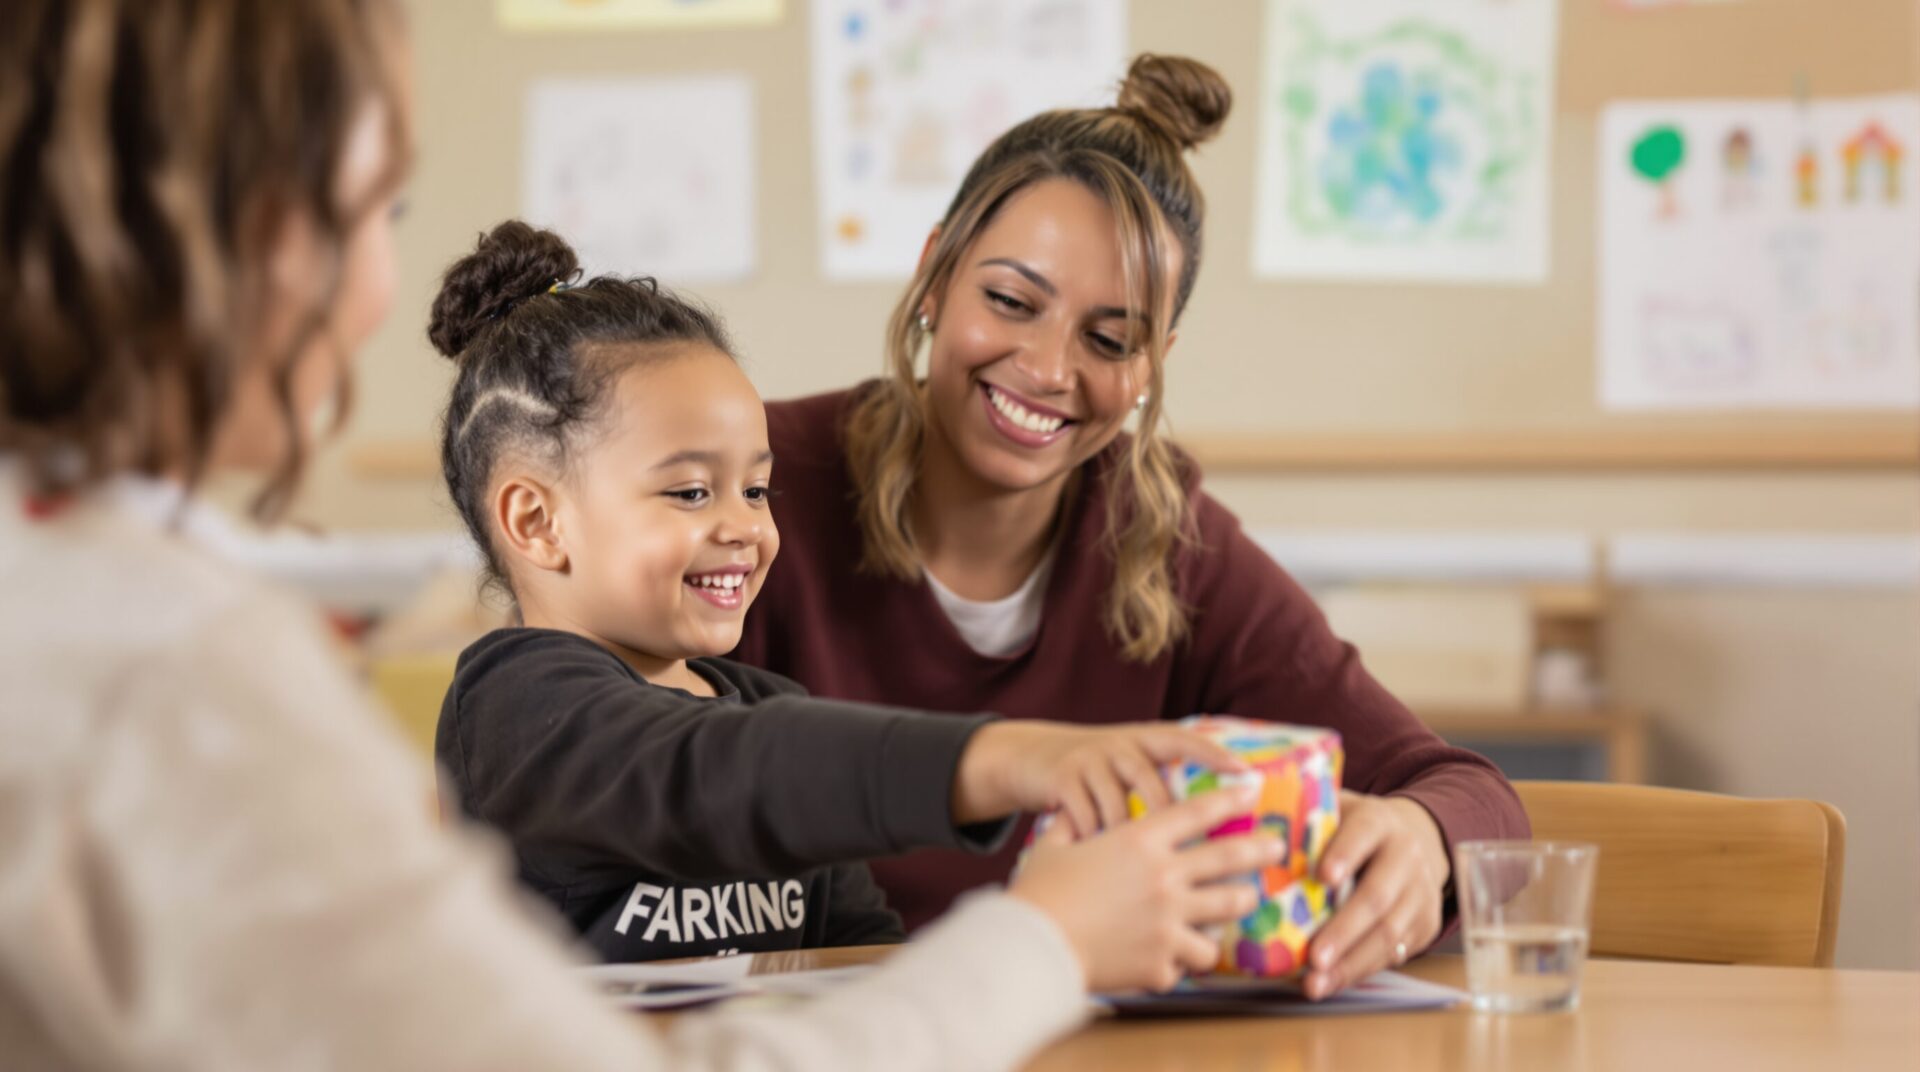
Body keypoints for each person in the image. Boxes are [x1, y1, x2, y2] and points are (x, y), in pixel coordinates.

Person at [0, 5, 1290, 1068]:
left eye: (755, 489)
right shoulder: (200, 668)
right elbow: (714, 772)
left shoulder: (97, 606)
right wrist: (1036, 899)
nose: (377, 287)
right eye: (371, 213)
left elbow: (819, 875)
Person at [731, 53, 1532, 1000]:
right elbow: (601, 745)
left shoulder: (1166, 536)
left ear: (1156, 362)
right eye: (1010, 301)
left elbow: (1467, 793)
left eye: (1111, 340)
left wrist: (1424, 842)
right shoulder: (756, 480)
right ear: (934, 272)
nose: (1047, 367)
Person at [429, 221, 1263, 964]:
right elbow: (715, 773)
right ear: (537, 522)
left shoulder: (760, 707)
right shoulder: (515, 711)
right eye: (689, 492)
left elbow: (866, 965)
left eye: (756, 491)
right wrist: (1012, 758)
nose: (745, 528)